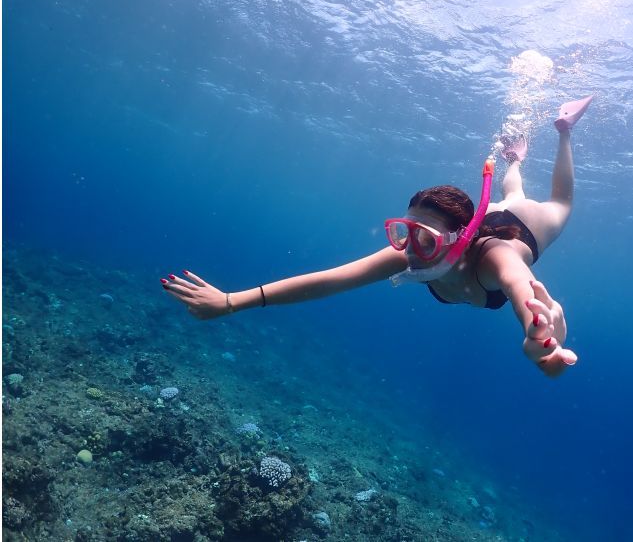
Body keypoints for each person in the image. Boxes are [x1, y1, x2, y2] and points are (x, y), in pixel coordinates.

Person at [162, 96, 593, 378]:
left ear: (459, 239)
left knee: (557, 204)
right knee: (510, 188)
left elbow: (522, 287)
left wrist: (541, 338)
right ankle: (514, 159)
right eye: (402, 232)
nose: (410, 250)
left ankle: (564, 131)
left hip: (520, 224)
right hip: (484, 216)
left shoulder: (494, 259)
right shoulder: (411, 254)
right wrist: (231, 302)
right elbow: (332, 279)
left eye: (423, 237)